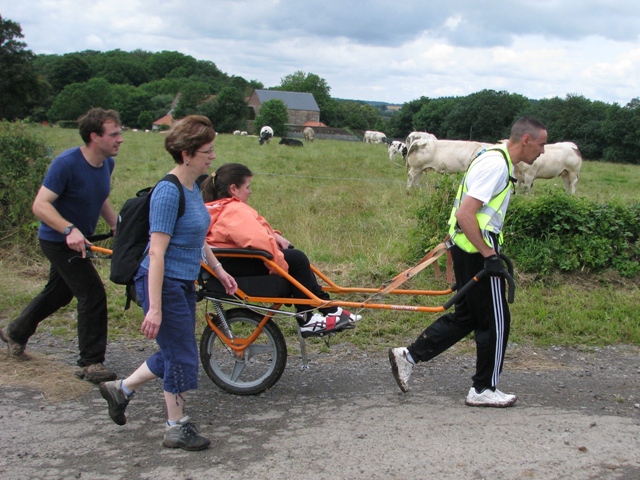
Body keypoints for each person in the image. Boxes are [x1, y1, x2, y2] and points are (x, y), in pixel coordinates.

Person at [98, 115, 237, 451]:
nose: (213, 156)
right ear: (186, 153)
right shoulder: (167, 192)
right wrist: (155, 308)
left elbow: (196, 235)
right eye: (207, 150)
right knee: (181, 354)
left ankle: (121, 388)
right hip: (161, 282)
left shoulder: (192, 187)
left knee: (175, 350)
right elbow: (157, 253)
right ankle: (176, 426)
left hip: (182, 281)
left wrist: (217, 269)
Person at [388, 117, 548, 407]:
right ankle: (484, 389)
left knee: (467, 317)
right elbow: (466, 214)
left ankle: (408, 357)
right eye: (541, 144)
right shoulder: (496, 165)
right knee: (497, 320)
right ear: (526, 140)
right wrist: (490, 256)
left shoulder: (492, 157)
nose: (543, 152)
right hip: (477, 252)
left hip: (466, 248)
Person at [0, 108, 122, 384]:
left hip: (79, 240)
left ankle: (16, 332)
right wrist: (69, 229)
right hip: (58, 241)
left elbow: (100, 197)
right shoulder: (66, 163)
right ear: (95, 136)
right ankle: (91, 362)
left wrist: (116, 224)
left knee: (59, 293)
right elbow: (40, 205)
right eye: (114, 134)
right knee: (92, 294)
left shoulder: (106, 164)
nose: (120, 139)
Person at [200, 163, 362, 337]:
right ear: (233, 189)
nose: (250, 191)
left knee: (294, 259)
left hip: (225, 261)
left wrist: (275, 236)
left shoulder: (219, 207)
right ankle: (309, 318)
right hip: (231, 262)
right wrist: (279, 265)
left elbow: (256, 229)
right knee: (296, 259)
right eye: (248, 187)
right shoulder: (234, 210)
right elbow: (257, 240)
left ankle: (329, 309)